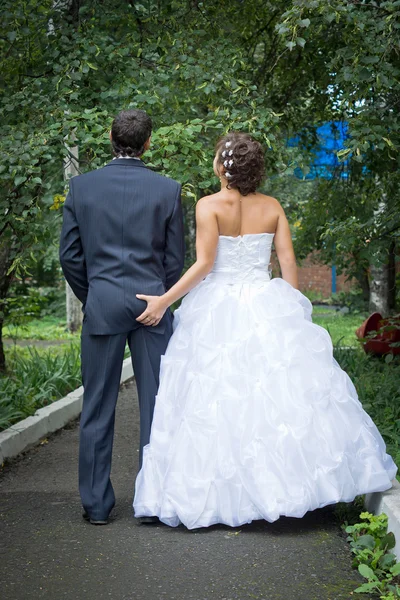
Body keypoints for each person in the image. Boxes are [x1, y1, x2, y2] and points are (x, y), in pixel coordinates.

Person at [133, 132, 397, 529]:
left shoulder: (208, 206)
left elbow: (205, 264)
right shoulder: (272, 207)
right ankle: (295, 488)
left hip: (217, 304)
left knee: (216, 397)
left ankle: (223, 494)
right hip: (265, 299)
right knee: (280, 399)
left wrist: (163, 300)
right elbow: (287, 262)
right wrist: (291, 311)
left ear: (223, 165)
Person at [59, 109, 185, 525]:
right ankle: (151, 503)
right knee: (156, 405)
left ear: (110, 137)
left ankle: (96, 506)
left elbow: (70, 256)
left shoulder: (81, 188)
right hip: (153, 304)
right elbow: (174, 259)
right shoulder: (168, 190)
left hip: (104, 304)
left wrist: (96, 295)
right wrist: (160, 299)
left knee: (97, 406)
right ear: (149, 142)